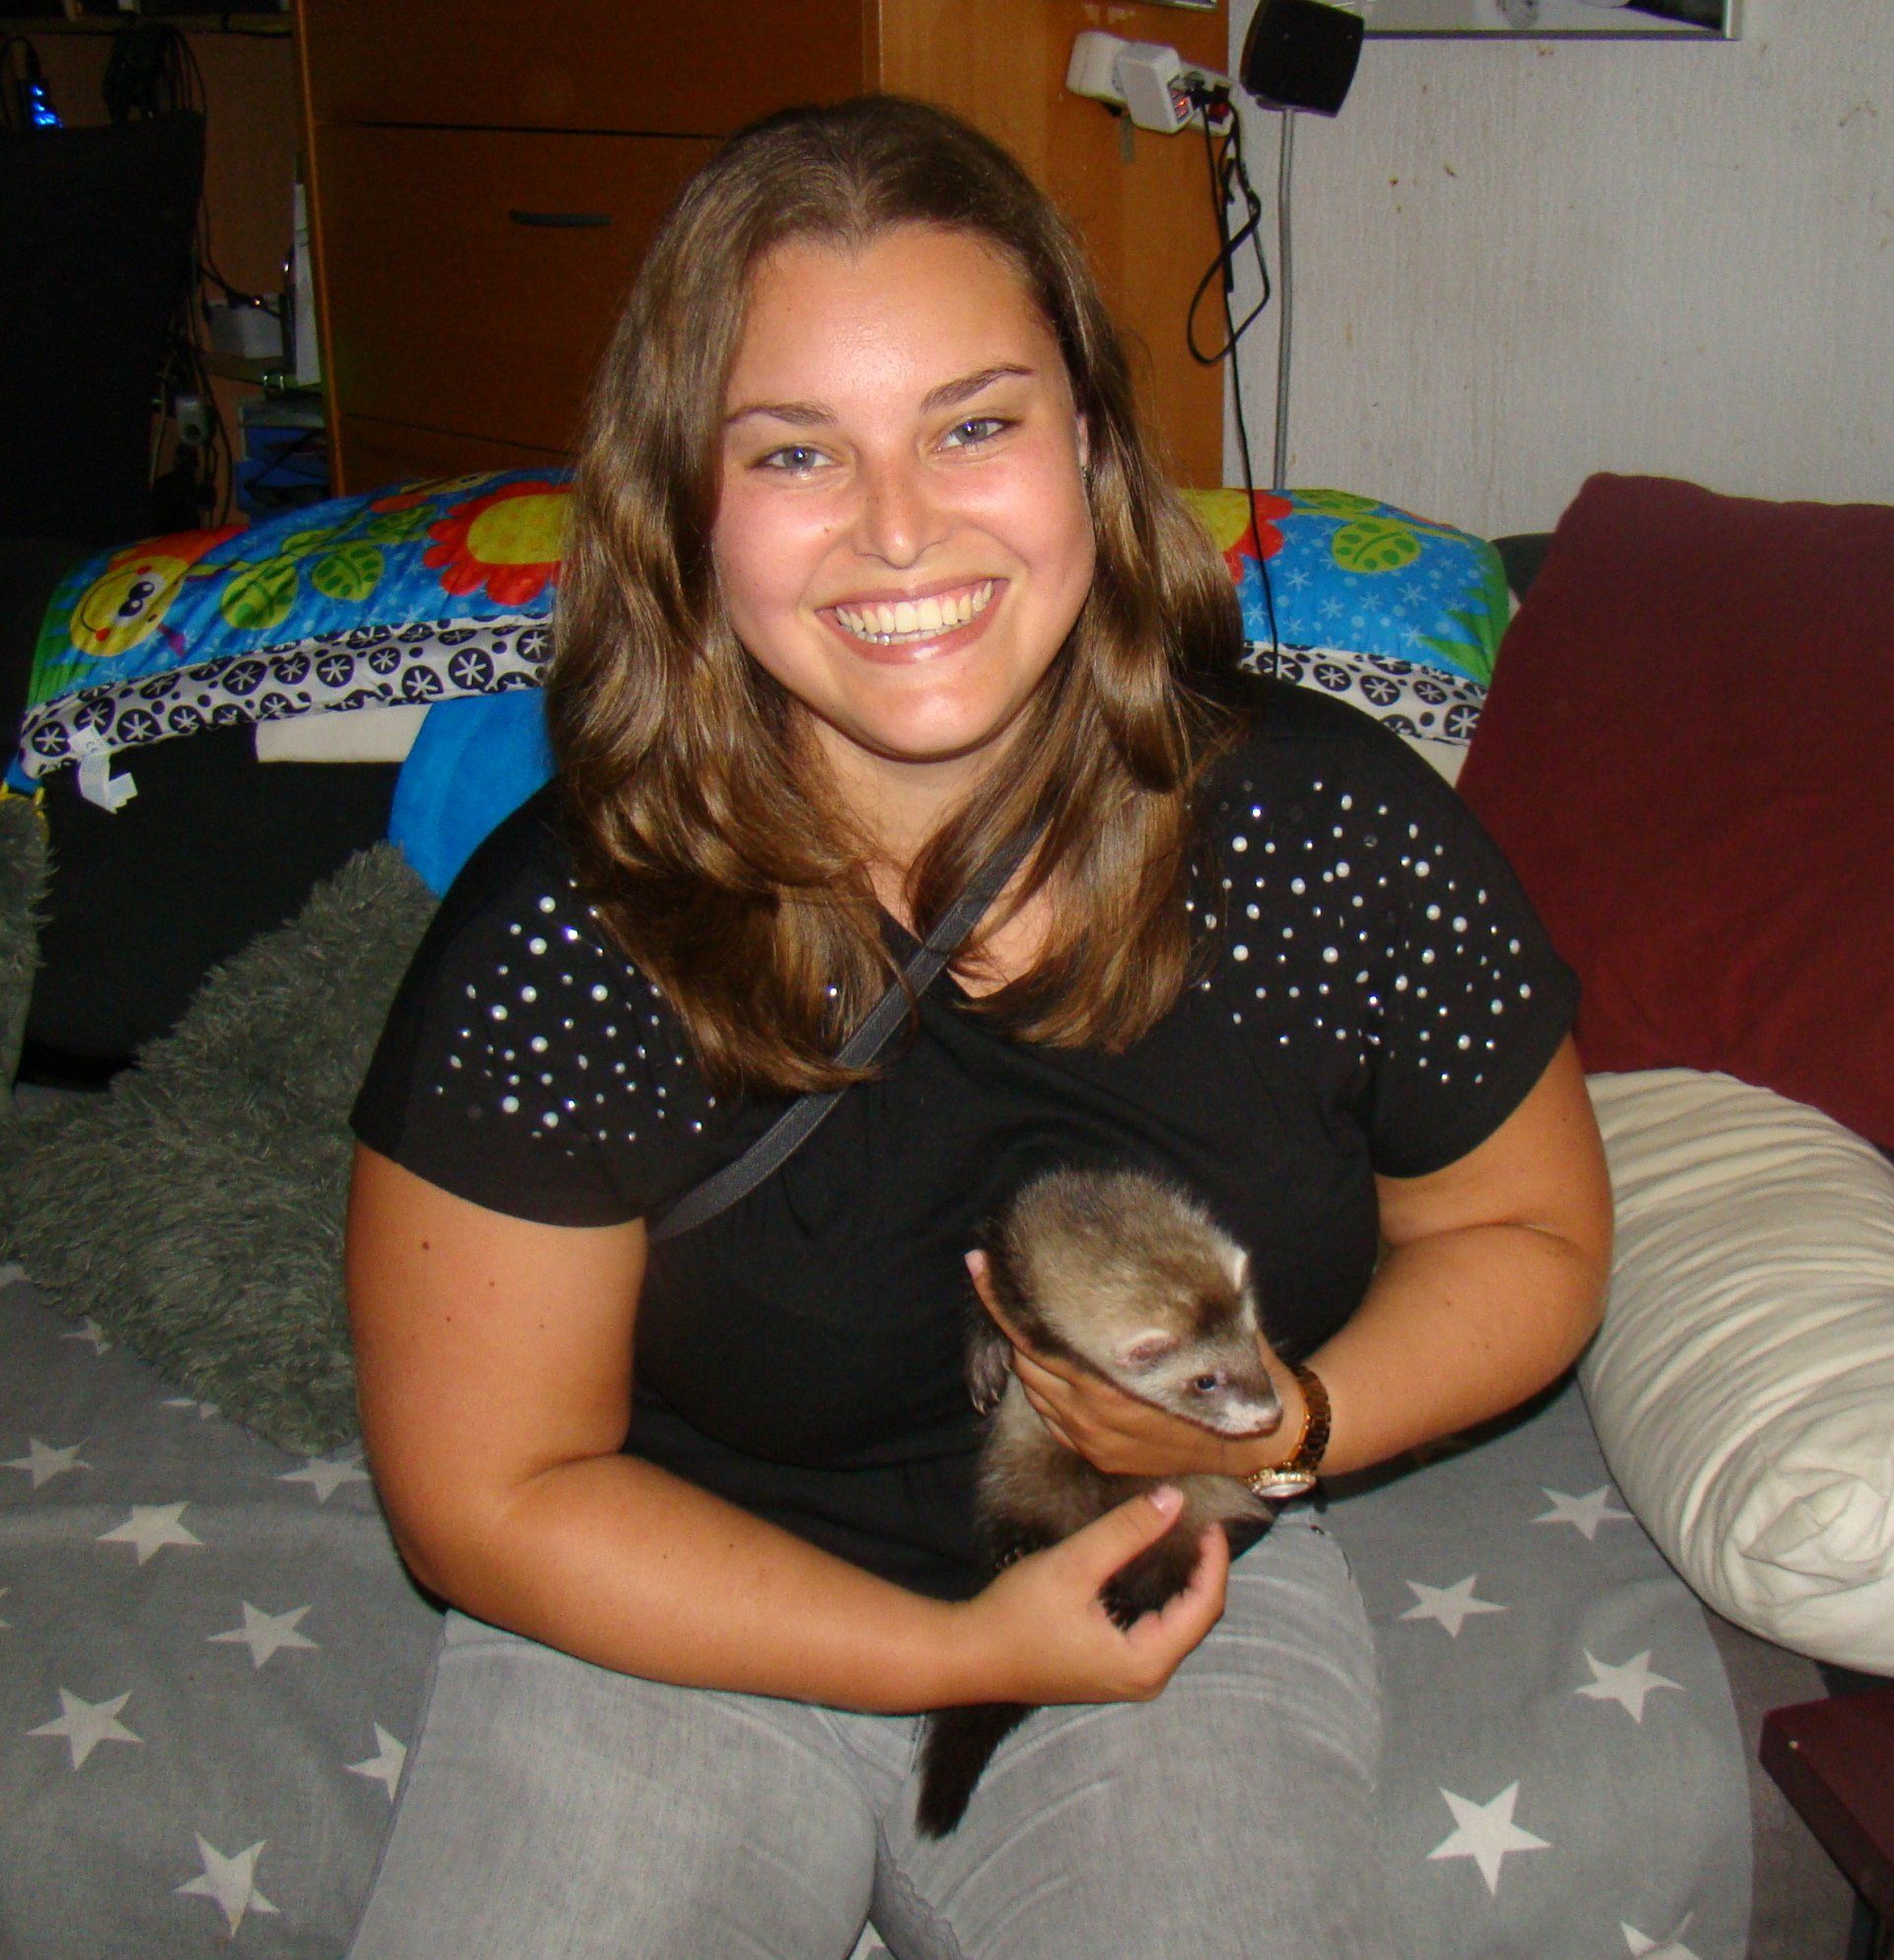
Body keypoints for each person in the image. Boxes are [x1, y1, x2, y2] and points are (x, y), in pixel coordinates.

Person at [342, 95, 1612, 1960]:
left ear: (1087, 443)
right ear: (684, 508)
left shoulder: (1333, 837)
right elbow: (491, 1496)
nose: (899, 529)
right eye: (795, 452)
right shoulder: (566, 931)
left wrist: (1285, 1430)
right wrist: (945, 1652)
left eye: (973, 424)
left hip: (1173, 1574)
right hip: (663, 1607)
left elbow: (1530, 1233)